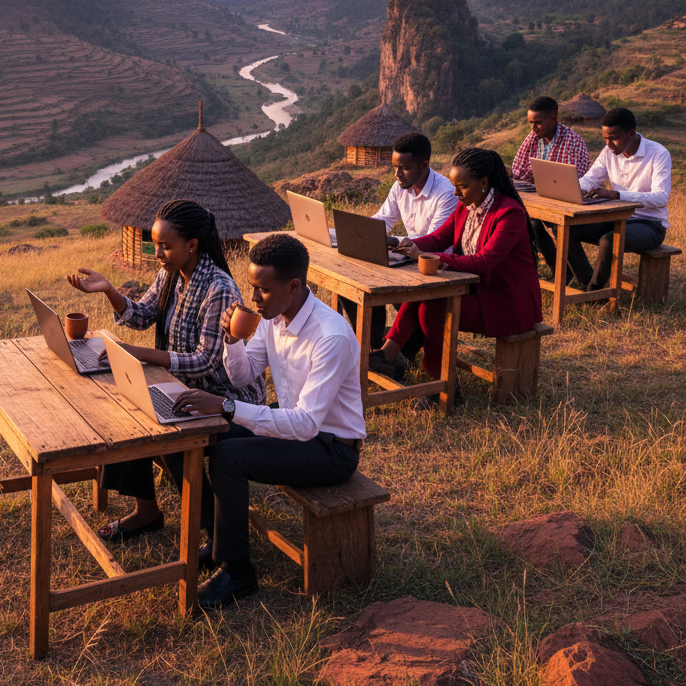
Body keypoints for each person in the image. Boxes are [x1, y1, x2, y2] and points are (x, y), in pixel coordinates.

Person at [170, 233, 365, 608]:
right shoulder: (275, 319)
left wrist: (226, 407)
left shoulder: (331, 336)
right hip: (296, 430)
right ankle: (220, 536)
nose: (253, 298)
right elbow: (243, 377)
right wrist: (232, 341)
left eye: (262, 290)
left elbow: (307, 424)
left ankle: (238, 572)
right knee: (205, 434)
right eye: (252, 287)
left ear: (294, 286)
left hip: (331, 449)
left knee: (230, 458)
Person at [67, 199, 265, 542]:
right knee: (126, 407)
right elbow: (142, 316)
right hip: (180, 383)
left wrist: (136, 354)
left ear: (192, 245)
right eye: (155, 244)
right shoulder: (170, 275)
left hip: (222, 396)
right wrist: (109, 290)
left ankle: (210, 529)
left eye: (165, 246)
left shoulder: (219, 288)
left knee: (172, 435)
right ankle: (147, 511)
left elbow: (206, 360)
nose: (158, 252)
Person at [368, 147, 542, 408]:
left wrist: (430, 258)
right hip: (478, 291)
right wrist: (406, 244)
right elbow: (440, 238)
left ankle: (442, 385)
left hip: (505, 302)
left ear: (483, 183)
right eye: (453, 185)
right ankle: (388, 355)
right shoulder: (469, 205)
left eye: (461, 186)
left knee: (434, 306)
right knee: (423, 291)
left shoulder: (509, 213)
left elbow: (484, 263)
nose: (455, 193)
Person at [340, 132, 458, 379]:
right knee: (349, 280)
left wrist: (393, 242)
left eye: (404, 168)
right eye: (395, 167)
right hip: (407, 259)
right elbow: (382, 221)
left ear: (424, 165)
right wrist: (357, 232)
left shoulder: (445, 193)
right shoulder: (400, 187)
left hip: (433, 267)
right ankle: (374, 349)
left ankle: (390, 355)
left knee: (378, 289)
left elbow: (436, 243)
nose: (397, 174)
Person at [564, 107, 671, 291]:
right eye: (605, 138)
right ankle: (588, 282)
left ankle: (594, 292)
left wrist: (618, 195)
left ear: (631, 133)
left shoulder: (658, 154)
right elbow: (591, 179)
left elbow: (661, 198)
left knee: (609, 240)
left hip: (650, 225)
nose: (608, 144)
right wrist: (572, 189)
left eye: (613, 138)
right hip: (617, 219)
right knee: (566, 228)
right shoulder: (608, 152)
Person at [510, 95, 591, 279]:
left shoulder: (572, 140)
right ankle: (560, 272)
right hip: (544, 198)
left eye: (538, 122)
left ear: (554, 118)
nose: (533, 127)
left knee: (559, 226)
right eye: (531, 122)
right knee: (532, 225)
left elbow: (569, 180)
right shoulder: (532, 138)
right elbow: (519, 169)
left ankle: (584, 279)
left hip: (573, 203)